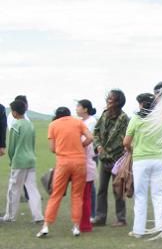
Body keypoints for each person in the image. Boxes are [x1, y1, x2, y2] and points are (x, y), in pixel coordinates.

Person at [36, 107, 93, 238]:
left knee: (56, 194)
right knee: (77, 195)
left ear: (57, 115)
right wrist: (81, 146)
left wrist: (62, 149)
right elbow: (90, 137)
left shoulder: (53, 125)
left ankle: (46, 225)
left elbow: (52, 148)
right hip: (79, 161)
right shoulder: (78, 122)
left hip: (63, 162)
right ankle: (76, 227)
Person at [123, 93, 162, 238]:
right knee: (158, 194)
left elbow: (126, 142)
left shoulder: (136, 119)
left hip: (141, 159)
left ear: (141, 104)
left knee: (141, 195)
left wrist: (131, 150)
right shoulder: (160, 118)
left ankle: (139, 230)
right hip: (159, 159)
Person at [1, 99, 43, 223]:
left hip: (19, 161)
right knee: (32, 189)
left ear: (14, 112)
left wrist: (11, 160)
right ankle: (38, 216)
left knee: (13, 189)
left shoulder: (15, 126)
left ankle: (10, 216)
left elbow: (12, 147)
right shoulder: (30, 125)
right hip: (31, 160)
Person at [93, 90, 130, 226]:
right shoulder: (103, 116)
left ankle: (121, 218)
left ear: (118, 102)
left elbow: (127, 137)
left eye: (111, 99)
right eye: (108, 98)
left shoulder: (124, 119)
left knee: (118, 189)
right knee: (101, 189)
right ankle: (100, 217)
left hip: (118, 159)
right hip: (104, 159)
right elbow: (96, 132)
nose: (108, 101)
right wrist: (98, 146)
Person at [76, 99, 98, 221]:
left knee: (90, 185)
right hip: (80, 155)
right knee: (83, 185)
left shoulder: (91, 121)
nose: (76, 108)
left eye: (79, 106)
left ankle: (92, 214)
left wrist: (79, 146)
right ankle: (83, 212)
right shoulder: (80, 121)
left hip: (90, 154)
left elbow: (89, 137)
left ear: (85, 109)